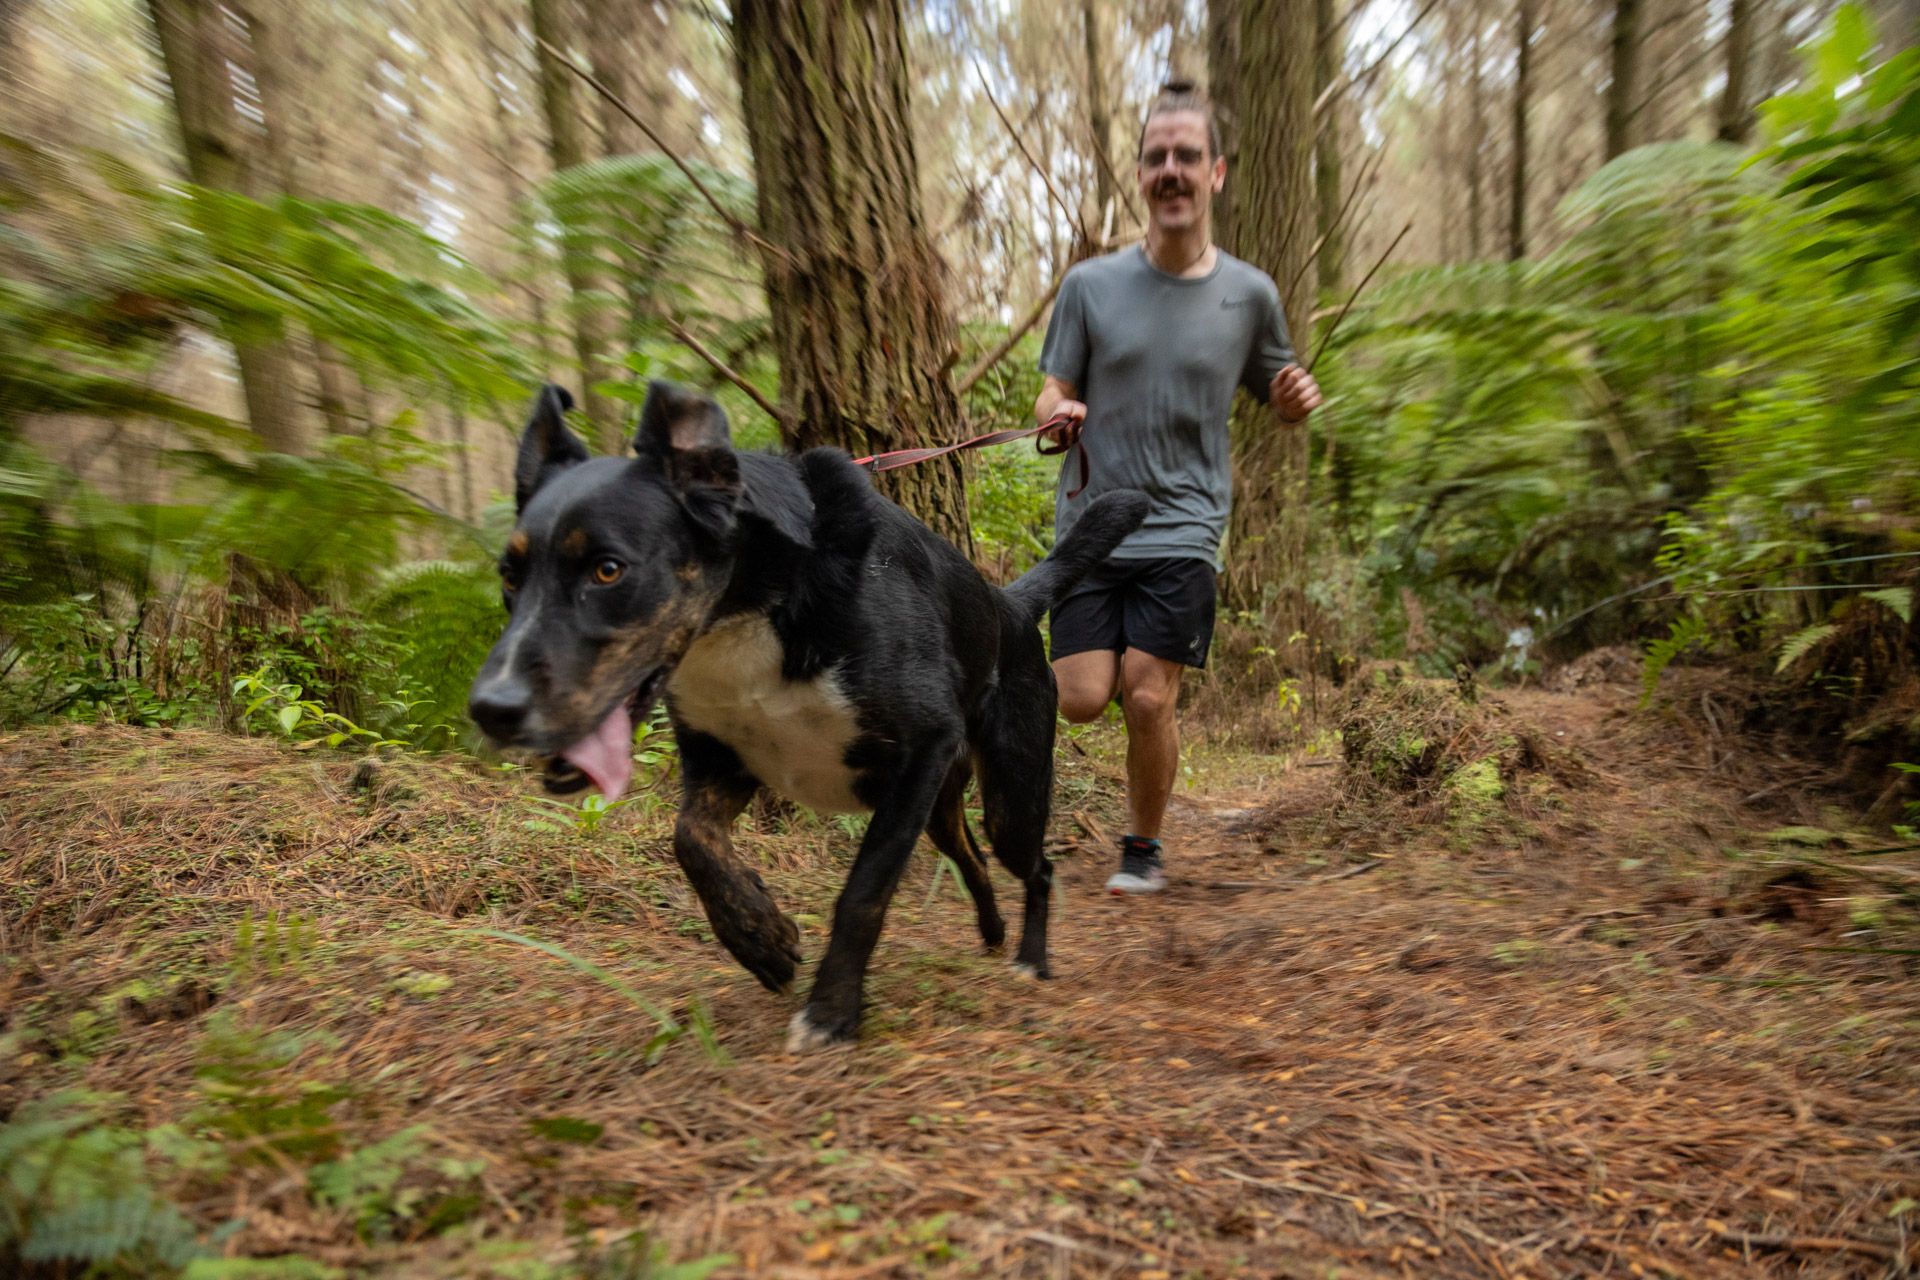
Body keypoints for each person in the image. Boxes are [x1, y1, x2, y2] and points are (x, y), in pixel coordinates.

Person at [1033, 79, 1323, 895]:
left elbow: (1281, 391)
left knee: (1149, 696)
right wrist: (1060, 414)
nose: (1171, 170)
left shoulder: (1250, 294)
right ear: (1139, 173)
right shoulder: (1090, 286)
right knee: (1081, 698)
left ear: (1216, 173)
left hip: (1186, 526)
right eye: (1157, 156)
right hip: (1092, 523)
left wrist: (1296, 398)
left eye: (1186, 157)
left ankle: (1143, 851)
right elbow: (1050, 392)